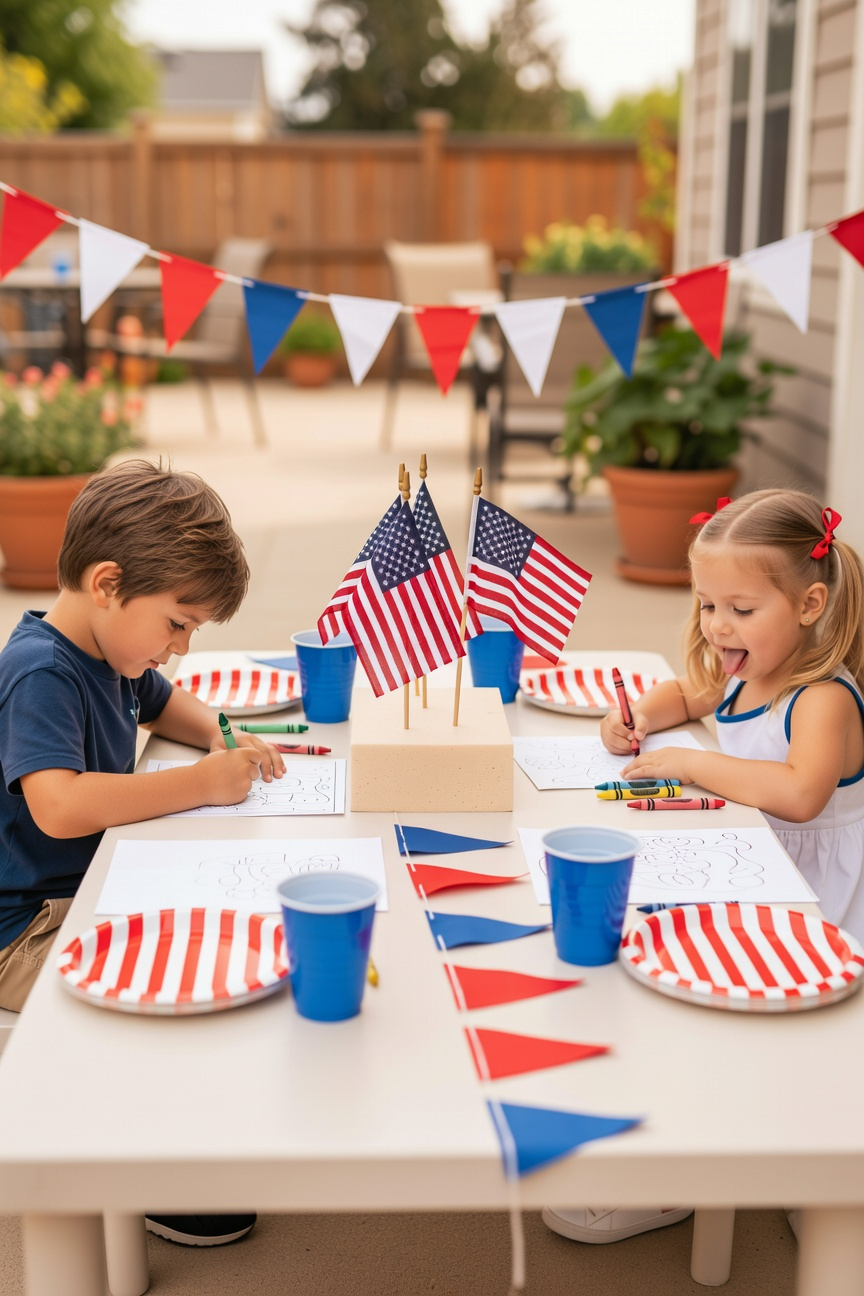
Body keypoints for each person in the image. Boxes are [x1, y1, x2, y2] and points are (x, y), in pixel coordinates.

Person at [544, 488, 864, 1247]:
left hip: (816, 899)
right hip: (749, 871)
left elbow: (797, 793)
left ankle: (796, 1171)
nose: (719, 627)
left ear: (811, 603)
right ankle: (681, 1163)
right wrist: (639, 719)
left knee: (776, 1040)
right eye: (706, 604)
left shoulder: (821, 697)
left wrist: (691, 762)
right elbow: (687, 696)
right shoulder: (742, 670)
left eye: (741, 609)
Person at [0, 458, 285, 1248]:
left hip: (89, 888)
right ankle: (145, 1170)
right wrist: (201, 784)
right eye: (178, 623)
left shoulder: (115, 652)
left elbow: (168, 704)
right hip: (26, 928)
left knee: (225, 925)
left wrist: (225, 734)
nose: (182, 648)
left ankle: (185, 1137)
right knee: (170, 991)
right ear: (106, 583)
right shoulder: (39, 672)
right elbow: (58, 807)